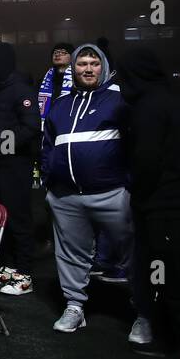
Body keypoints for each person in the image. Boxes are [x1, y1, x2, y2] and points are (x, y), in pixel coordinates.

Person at [116, 48, 180, 359]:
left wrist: (140, 195)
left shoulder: (149, 106)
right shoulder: (170, 99)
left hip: (169, 204)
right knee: (169, 275)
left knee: (175, 279)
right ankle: (172, 340)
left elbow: (147, 159)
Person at [41, 45, 143, 337]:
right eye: (82, 63)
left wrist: (129, 183)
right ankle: (75, 306)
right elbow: (48, 144)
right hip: (66, 196)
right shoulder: (60, 105)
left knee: (132, 254)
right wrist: (51, 179)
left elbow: (137, 143)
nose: (88, 69)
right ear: (73, 69)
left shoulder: (120, 100)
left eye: (94, 63)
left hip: (113, 193)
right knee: (71, 255)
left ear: (104, 67)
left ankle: (145, 310)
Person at [0, 43, 41, 298]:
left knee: (18, 218)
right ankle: (9, 266)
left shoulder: (20, 89)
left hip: (13, 165)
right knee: (0, 219)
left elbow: (31, 125)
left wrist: (4, 146)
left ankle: (25, 273)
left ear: (0, 60)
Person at [38, 43, 75, 122]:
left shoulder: (78, 78)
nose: (58, 55)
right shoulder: (45, 79)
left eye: (63, 52)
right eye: (55, 52)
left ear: (72, 57)